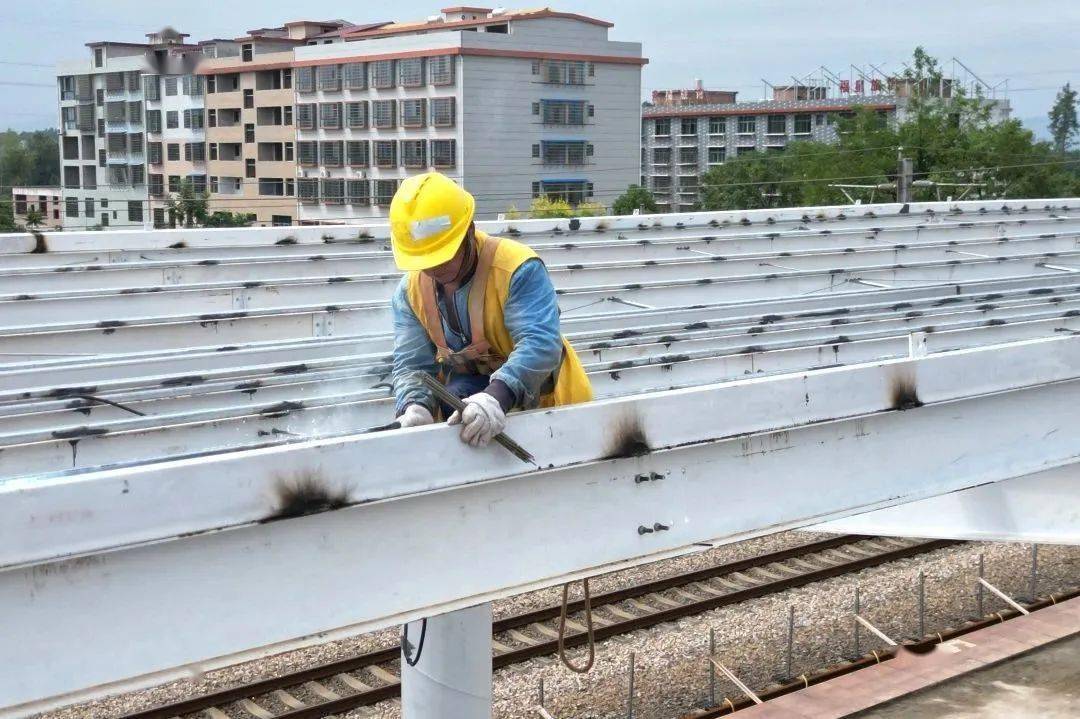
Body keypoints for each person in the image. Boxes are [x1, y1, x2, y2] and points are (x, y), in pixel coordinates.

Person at [389, 172, 593, 447]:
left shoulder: (516, 269)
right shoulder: (409, 292)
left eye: (443, 255)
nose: (434, 268)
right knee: (455, 394)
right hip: (469, 409)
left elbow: (541, 343)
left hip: (551, 411)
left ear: (469, 232)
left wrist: (496, 396)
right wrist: (414, 407)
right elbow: (411, 365)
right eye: (425, 259)